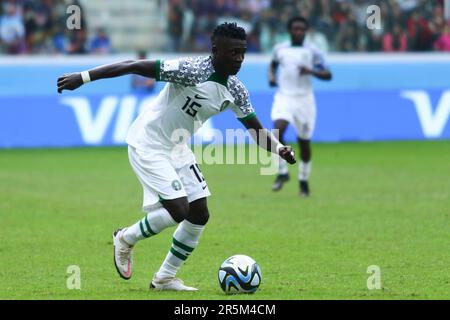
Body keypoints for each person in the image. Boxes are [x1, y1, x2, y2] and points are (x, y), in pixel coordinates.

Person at [57, 22, 296, 291]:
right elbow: (133, 65)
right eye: (233, 52)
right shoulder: (190, 70)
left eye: (243, 52)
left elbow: (257, 130)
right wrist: (84, 77)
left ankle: (164, 279)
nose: (239, 59)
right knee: (179, 209)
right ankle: (125, 238)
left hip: (177, 148)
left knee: (199, 214)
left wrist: (279, 149)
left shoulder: (236, 90)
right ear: (216, 50)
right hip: (148, 143)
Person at [268, 16, 332, 197]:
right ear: (289, 31)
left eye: (302, 29)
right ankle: (283, 172)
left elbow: (327, 74)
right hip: (284, 97)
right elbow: (272, 66)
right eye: (295, 29)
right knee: (277, 131)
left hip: (304, 101)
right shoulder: (279, 49)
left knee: (304, 142)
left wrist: (311, 71)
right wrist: (271, 77)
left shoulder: (313, 52)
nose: (299, 32)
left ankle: (303, 181)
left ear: (306, 31)